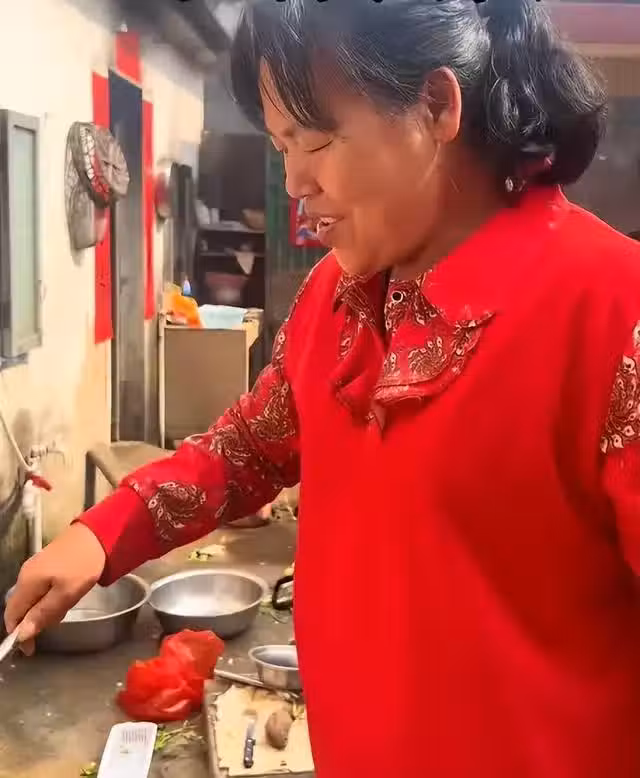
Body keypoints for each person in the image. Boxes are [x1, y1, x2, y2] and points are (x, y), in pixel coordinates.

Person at [6, 0, 640, 775]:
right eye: (281, 146)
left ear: (436, 106)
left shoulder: (614, 316)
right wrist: (104, 534)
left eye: (314, 140)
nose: (294, 181)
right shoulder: (333, 302)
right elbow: (248, 447)